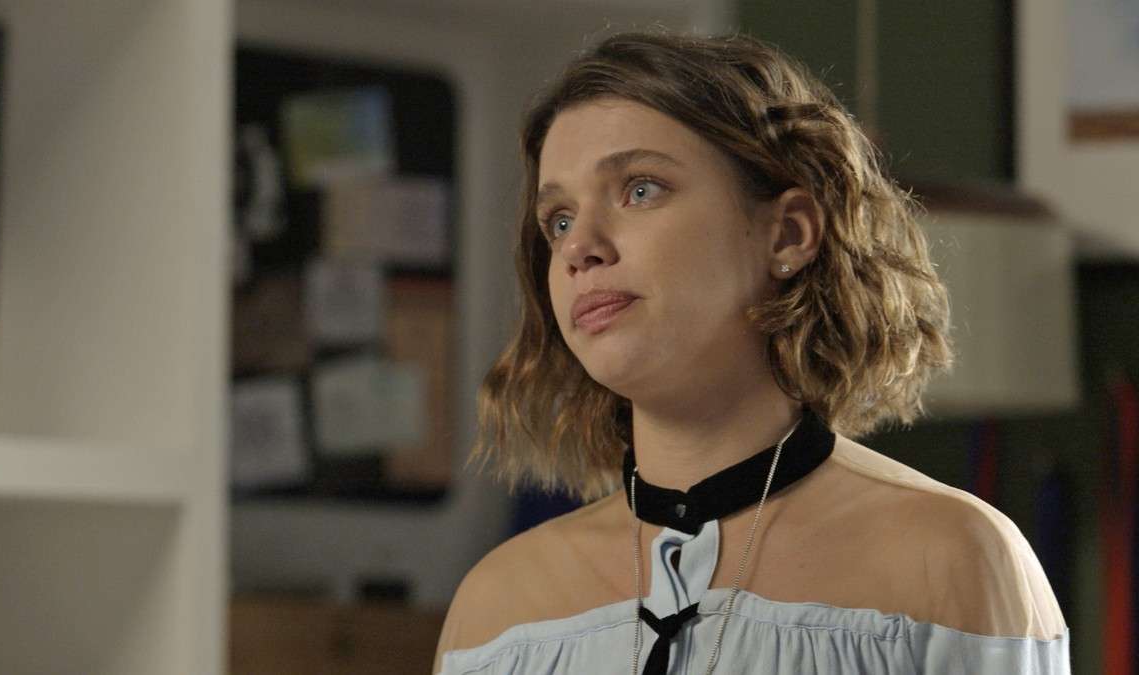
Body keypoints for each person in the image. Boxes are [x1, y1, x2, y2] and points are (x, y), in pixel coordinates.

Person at [433, 29, 1070, 675]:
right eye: (560, 220)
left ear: (787, 233)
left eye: (640, 189)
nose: (579, 248)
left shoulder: (953, 557)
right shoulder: (496, 610)